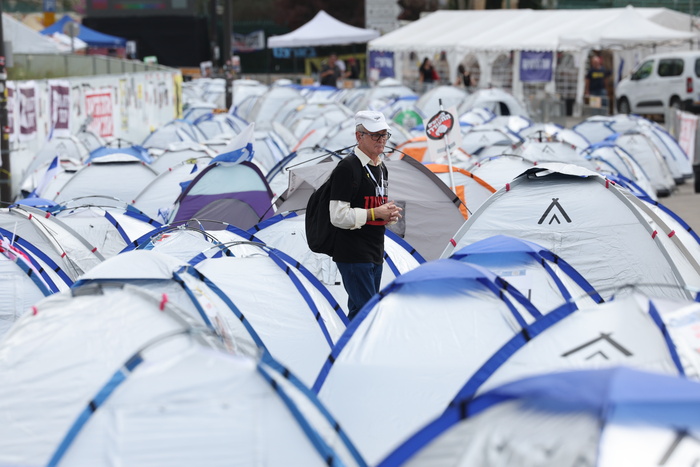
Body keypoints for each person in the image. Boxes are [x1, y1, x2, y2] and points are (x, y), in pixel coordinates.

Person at [329, 110, 402, 320]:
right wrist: (374, 213)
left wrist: (386, 214)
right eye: (375, 135)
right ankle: (354, 352)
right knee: (367, 315)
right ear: (359, 136)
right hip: (353, 253)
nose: (382, 140)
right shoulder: (347, 167)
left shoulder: (381, 167)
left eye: (385, 135)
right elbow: (337, 216)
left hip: (375, 251)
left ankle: (349, 351)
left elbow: (373, 206)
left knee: (360, 313)